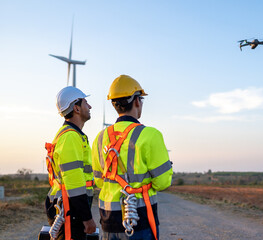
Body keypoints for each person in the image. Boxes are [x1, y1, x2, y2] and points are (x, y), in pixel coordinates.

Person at [92, 75, 173, 240]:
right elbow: (163, 182)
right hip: (139, 220)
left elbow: (99, 181)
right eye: (141, 99)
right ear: (136, 101)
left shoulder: (99, 138)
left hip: (108, 221)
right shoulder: (150, 135)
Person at [45, 86, 96, 240]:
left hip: (70, 207)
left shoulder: (74, 136)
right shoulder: (70, 137)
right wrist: (87, 218)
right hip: (69, 208)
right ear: (76, 108)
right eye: (86, 103)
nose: (90, 106)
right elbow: (74, 182)